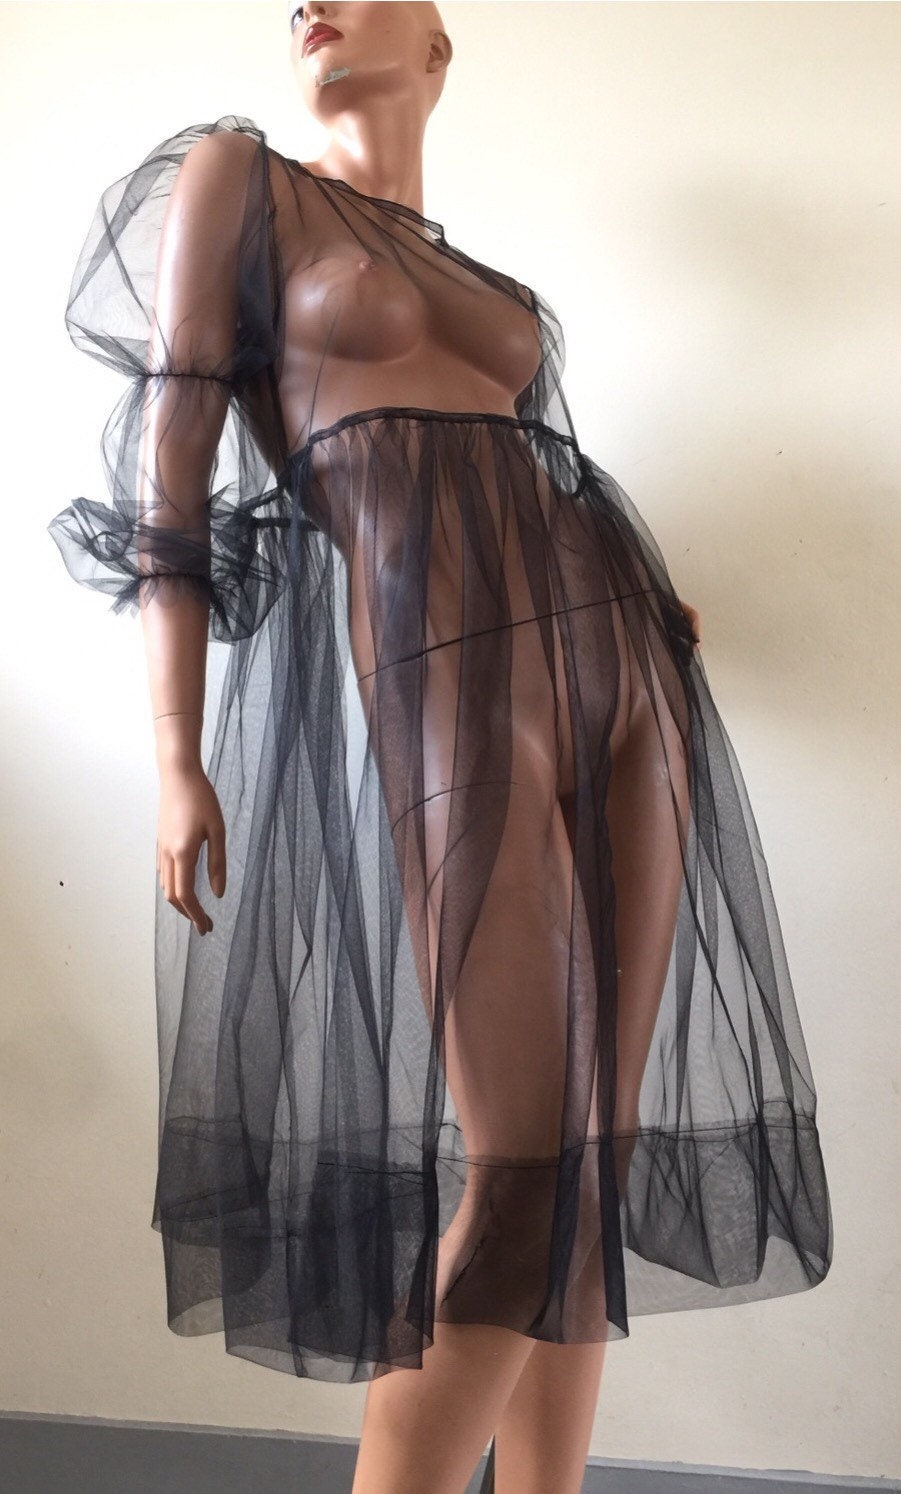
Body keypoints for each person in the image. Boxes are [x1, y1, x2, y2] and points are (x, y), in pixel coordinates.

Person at [47, 4, 833, 1491]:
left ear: (439, 45)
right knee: (524, 1180)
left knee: (589, 1169)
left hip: (626, 680)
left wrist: (647, 601)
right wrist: (175, 748)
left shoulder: (490, 285)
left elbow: (539, 471)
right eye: (294, 0)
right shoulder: (241, 180)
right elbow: (173, 464)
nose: (312, 7)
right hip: (450, 692)